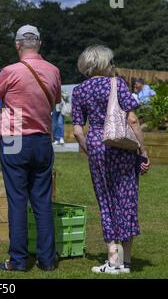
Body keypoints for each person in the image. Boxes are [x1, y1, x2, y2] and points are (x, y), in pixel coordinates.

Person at [0, 24, 61, 272]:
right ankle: (47, 260)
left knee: (17, 200)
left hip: (14, 139)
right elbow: (57, 99)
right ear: (39, 43)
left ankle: (18, 260)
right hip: (42, 138)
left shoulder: (9, 71)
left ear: (17, 44)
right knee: (42, 201)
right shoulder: (53, 70)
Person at [72, 45, 151, 274]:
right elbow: (133, 120)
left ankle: (112, 259)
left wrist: (90, 150)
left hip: (97, 143)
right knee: (126, 197)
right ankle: (126, 262)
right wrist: (143, 151)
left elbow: (77, 131)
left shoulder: (79, 90)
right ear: (105, 63)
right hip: (122, 145)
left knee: (105, 201)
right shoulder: (118, 84)